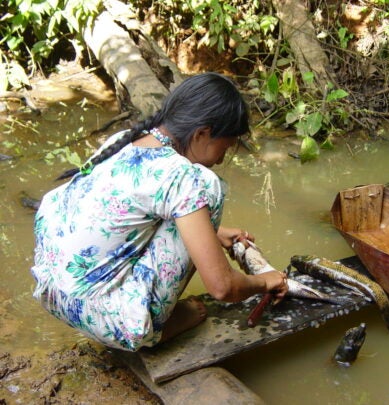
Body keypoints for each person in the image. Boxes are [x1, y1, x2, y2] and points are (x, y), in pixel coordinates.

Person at [31, 72, 288, 351]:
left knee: (191, 207)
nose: (221, 159)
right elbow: (223, 288)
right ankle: (148, 329)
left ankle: (130, 316)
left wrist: (216, 233)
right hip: (108, 322)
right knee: (209, 187)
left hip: (55, 296)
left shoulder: (125, 141)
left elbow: (124, 217)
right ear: (202, 133)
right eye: (223, 148)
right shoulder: (185, 177)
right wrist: (265, 280)